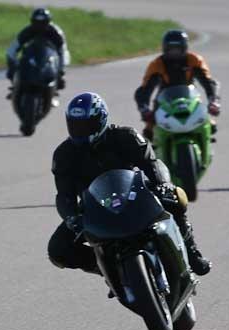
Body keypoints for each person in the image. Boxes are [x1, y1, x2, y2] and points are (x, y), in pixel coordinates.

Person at [48, 92, 211, 277]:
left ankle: (192, 253)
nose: (80, 131)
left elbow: (152, 163)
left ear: (101, 119)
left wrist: (163, 184)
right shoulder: (64, 155)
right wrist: (71, 217)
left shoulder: (125, 136)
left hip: (135, 195)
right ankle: (110, 269)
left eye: (86, 125)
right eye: (75, 125)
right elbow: (64, 195)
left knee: (175, 196)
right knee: (57, 250)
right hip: (94, 208)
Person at [135, 29, 221, 141]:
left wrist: (213, 101)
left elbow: (208, 81)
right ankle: (156, 153)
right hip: (164, 101)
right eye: (171, 49)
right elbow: (145, 89)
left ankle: (205, 143)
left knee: (211, 126)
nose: (174, 52)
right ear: (165, 48)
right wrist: (144, 109)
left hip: (190, 98)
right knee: (149, 132)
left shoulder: (195, 60)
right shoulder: (156, 64)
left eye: (178, 49)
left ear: (185, 48)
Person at [6, 7, 69, 93]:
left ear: (48, 22)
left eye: (43, 23)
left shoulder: (55, 32)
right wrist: (12, 65)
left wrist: (61, 70)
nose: (40, 26)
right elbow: (12, 49)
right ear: (32, 21)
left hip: (48, 61)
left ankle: (53, 92)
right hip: (30, 60)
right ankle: (16, 88)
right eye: (37, 23)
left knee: (60, 79)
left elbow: (63, 51)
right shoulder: (27, 31)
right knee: (12, 73)